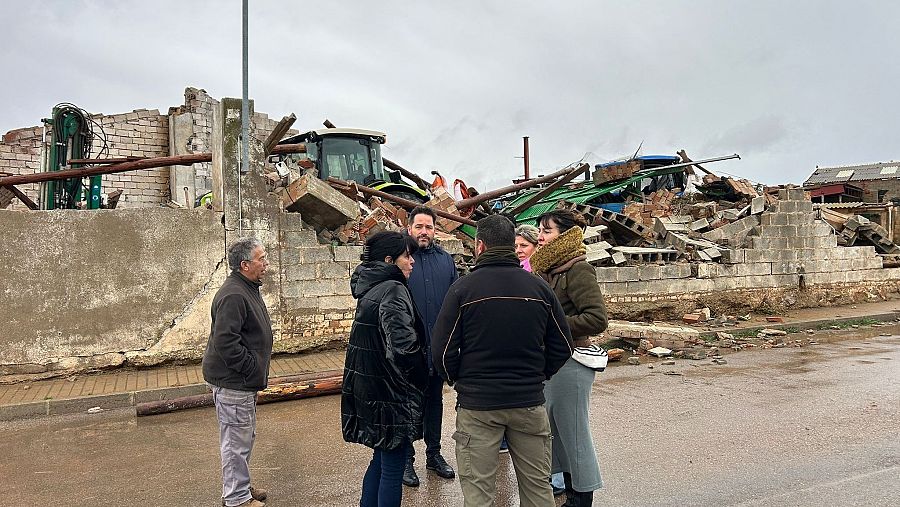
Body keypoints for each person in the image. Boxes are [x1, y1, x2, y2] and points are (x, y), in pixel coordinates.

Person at [432, 214, 574, 507]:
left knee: (479, 495)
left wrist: (459, 380)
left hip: (478, 406)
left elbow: (442, 351)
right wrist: (538, 375)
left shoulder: (463, 289)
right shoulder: (539, 288)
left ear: (480, 245)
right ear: (512, 246)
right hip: (528, 402)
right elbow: (563, 345)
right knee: (538, 491)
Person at [341, 231, 429, 507]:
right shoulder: (393, 290)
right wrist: (422, 378)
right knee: (392, 467)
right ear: (390, 260)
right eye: (407, 256)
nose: (413, 261)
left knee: (380, 460)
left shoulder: (372, 288)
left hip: (373, 390)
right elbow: (404, 349)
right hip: (391, 395)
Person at [529, 209, 609, 507]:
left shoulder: (577, 269)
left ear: (565, 235)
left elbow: (596, 318)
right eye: (539, 229)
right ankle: (571, 494)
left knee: (574, 435)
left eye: (546, 230)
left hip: (573, 361)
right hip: (552, 362)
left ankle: (581, 498)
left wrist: (553, 325)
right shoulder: (547, 269)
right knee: (557, 434)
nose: (540, 235)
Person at [202, 237, 274, 507]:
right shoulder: (234, 294)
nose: (265, 263)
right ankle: (236, 499)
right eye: (261, 259)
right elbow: (225, 342)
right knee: (235, 442)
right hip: (235, 382)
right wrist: (250, 368)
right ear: (245, 265)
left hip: (242, 382)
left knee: (243, 438)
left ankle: (240, 487)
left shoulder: (246, 287)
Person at [402, 206, 459, 486]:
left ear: (436, 230)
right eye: (419, 226)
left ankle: (433, 455)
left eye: (429, 227)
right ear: (409, 227)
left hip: (436, 349)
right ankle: (405, 459)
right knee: (407, 405)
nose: (424, 232)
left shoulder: (446, 261)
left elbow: (456, 302)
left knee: (434, 403)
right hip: (407, 351)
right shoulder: (400, 259)